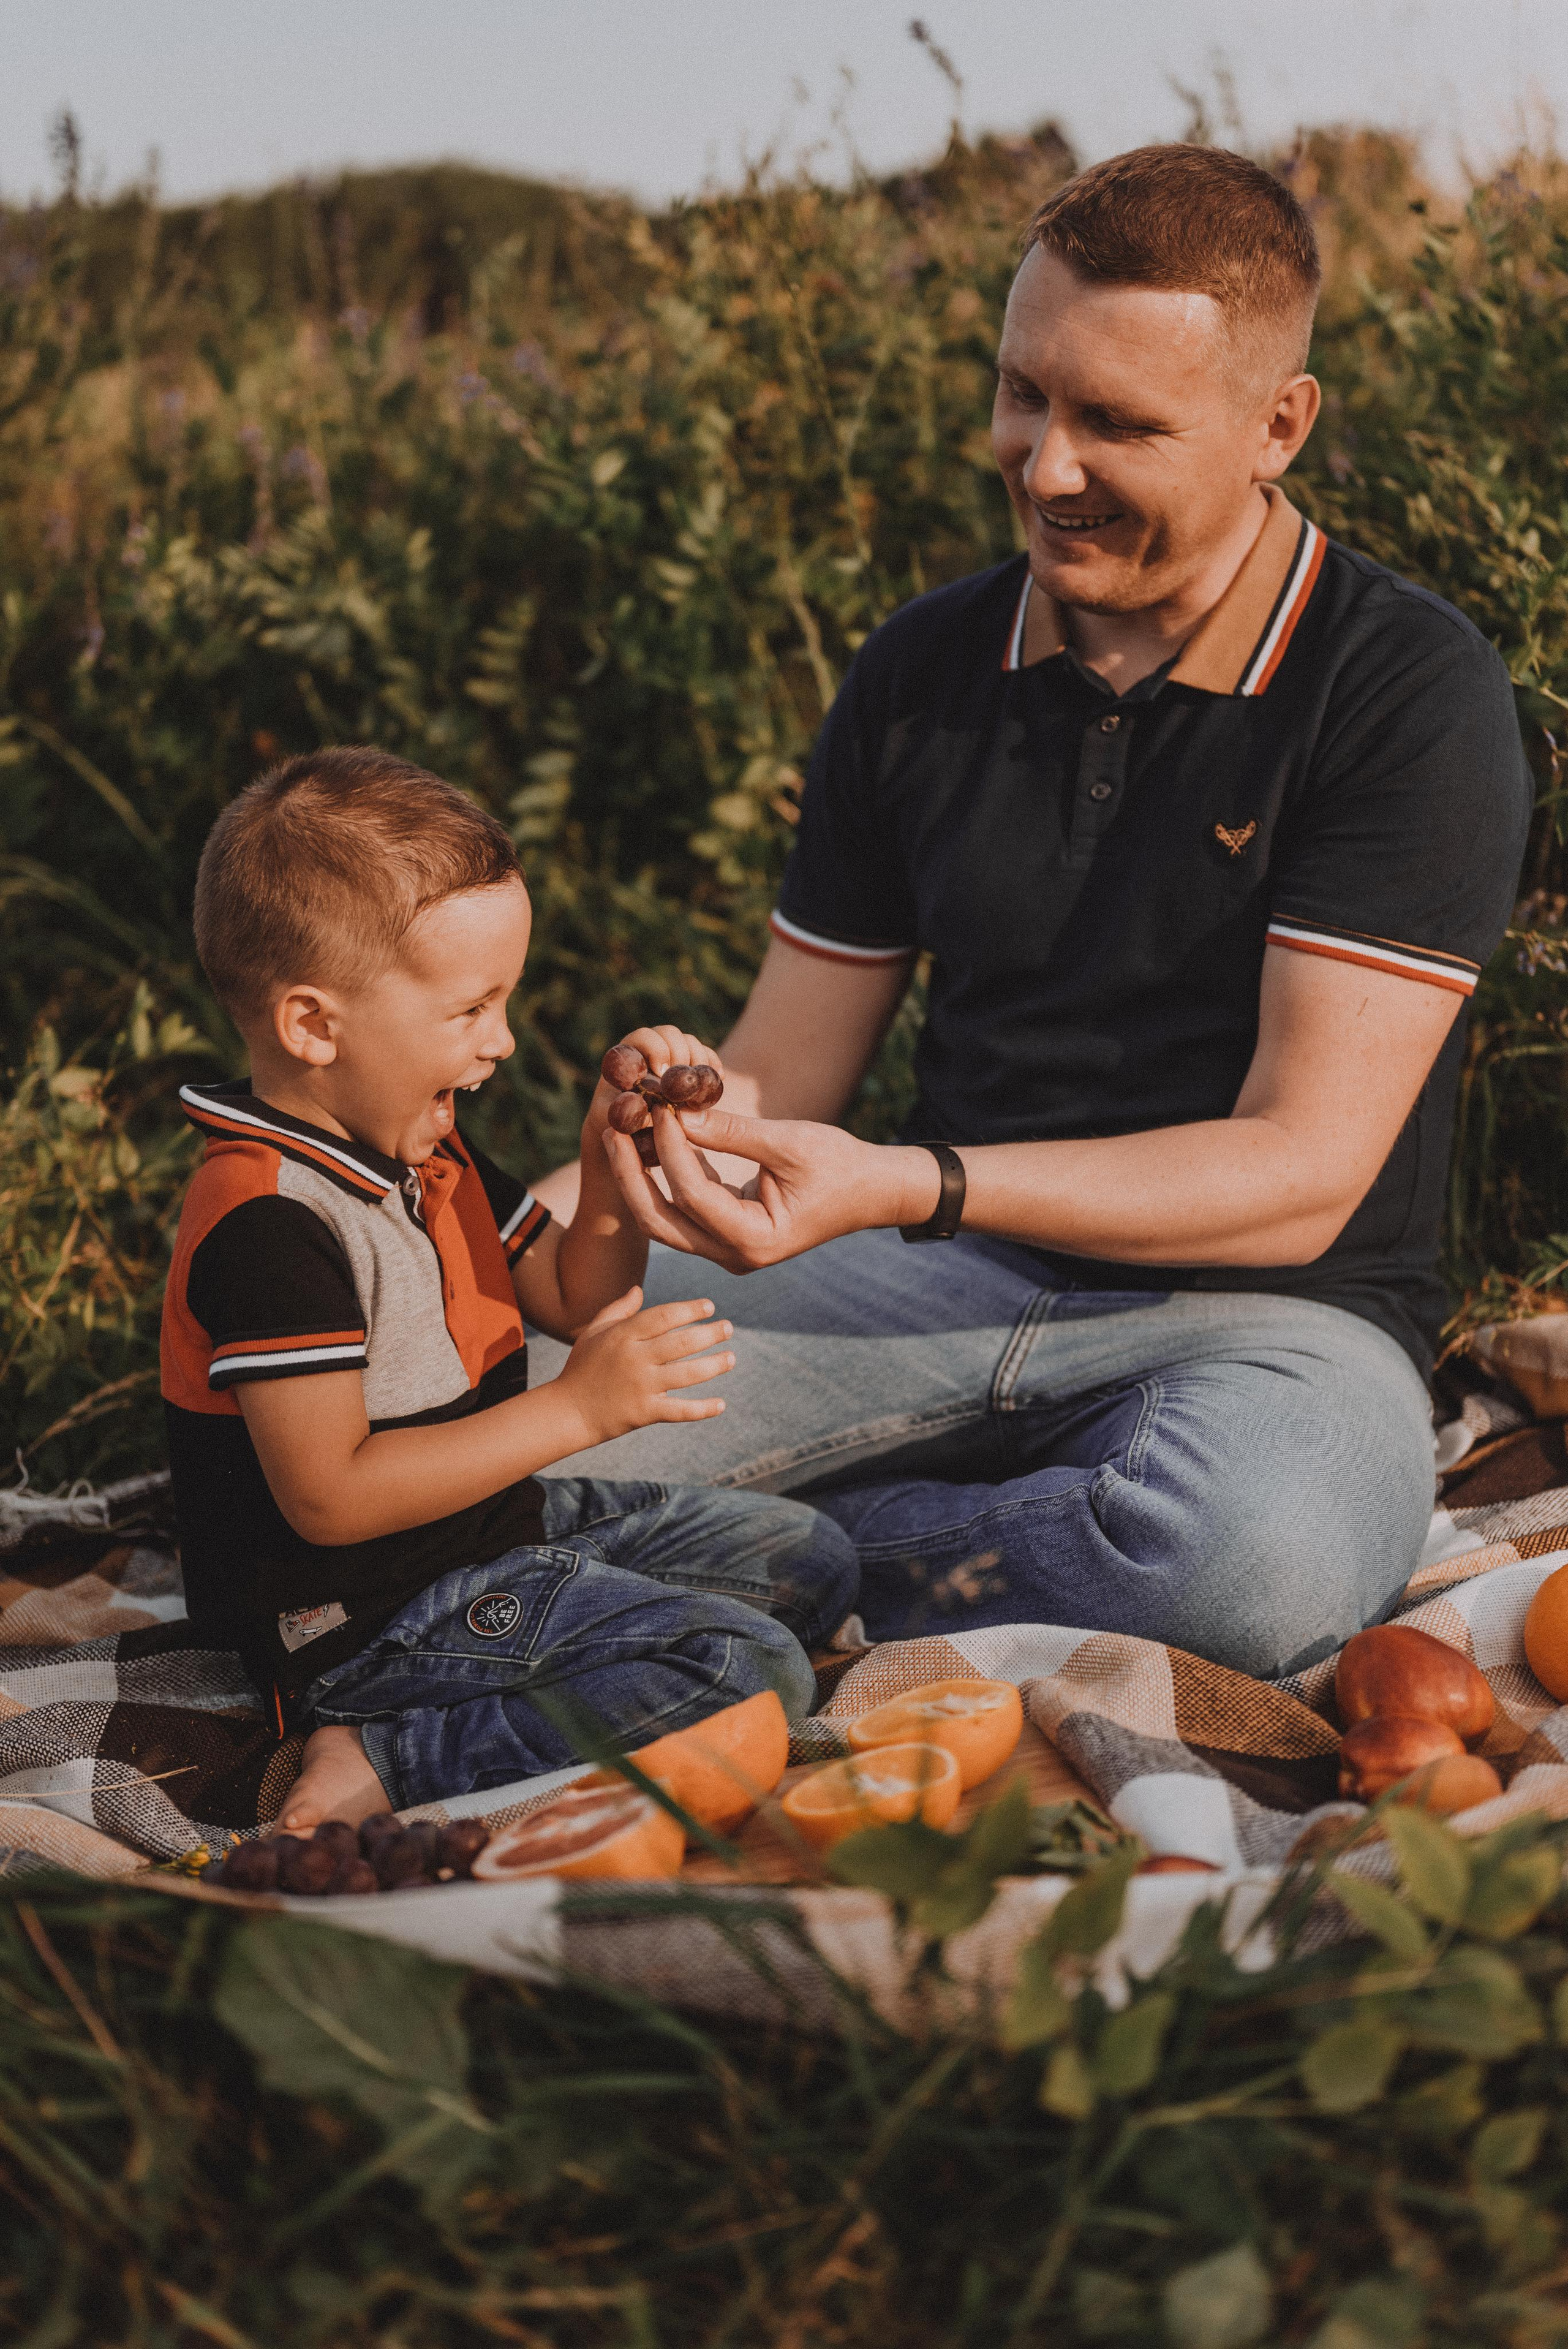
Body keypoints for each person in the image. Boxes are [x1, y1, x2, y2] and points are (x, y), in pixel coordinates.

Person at [532, 144, 1533, 1681]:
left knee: (1242, 1573)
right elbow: (782, 1072)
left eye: (1115, 424)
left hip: (1271, 1318)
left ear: (1279, 425)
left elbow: (1296, 1174)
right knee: (484, 1427)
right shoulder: (916, 672)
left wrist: (914, 1182)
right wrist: (617, 1160)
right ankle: (905, 1551)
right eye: (1024, 394)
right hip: (918, 1278)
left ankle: (798, 1553)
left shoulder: (1401, 689)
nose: (1043, 464)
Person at [159, 749, 855, 1828]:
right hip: (362, 1614)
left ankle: (546, 1660)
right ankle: (387, 1754)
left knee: (806, 1557)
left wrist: (608, 1156)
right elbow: (328, 1496)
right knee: (750, 1666)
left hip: (486, 1536)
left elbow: (578, 1298)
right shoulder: (268, 1222)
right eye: (473, 1009)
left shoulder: (427, 1149)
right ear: (313, 1025)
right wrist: (575, 1409)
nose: (504, 1040)